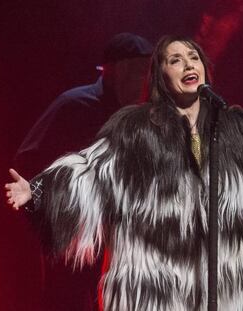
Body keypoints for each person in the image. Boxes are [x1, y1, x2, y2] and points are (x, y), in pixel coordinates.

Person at [6, 35, 243, 311]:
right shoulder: (135, 127)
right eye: (176, 59)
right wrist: (37, 192)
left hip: (220, 289)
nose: (189, 64)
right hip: (152, 288)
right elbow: (91, 169)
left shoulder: (232, 124)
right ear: (159, 77)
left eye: (194, 57)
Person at [13, 33, 153, 311]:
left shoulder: (132, 118)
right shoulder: (75, 105)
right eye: (140, 73)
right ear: (119, 70)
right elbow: (25, 164)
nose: (146, 84)